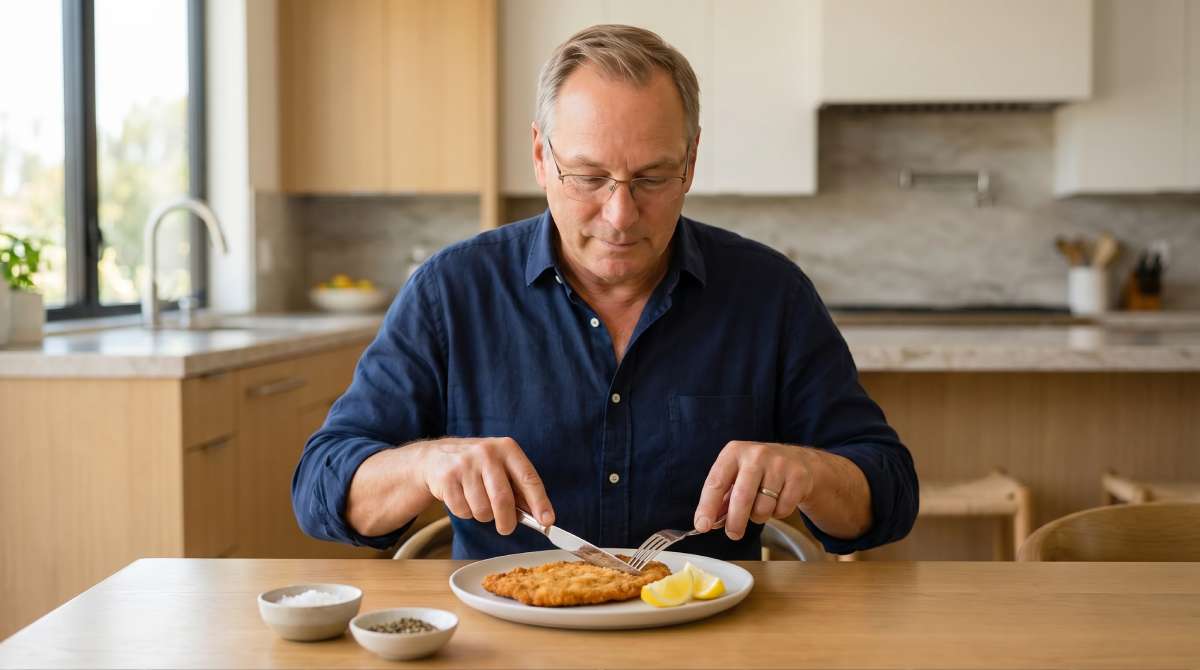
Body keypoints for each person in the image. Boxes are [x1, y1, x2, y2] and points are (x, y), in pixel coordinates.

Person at [293, 24, 917, 560]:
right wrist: (425, 465)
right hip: (508, 643)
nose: (620, 215)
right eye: (589, 177)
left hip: (713, 643)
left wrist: (812, 474)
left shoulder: (769, 295)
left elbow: (888, 494)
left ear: (691, 162)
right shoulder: (453, 293)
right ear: (541, 156)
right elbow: (320, 487)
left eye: (651, 177)